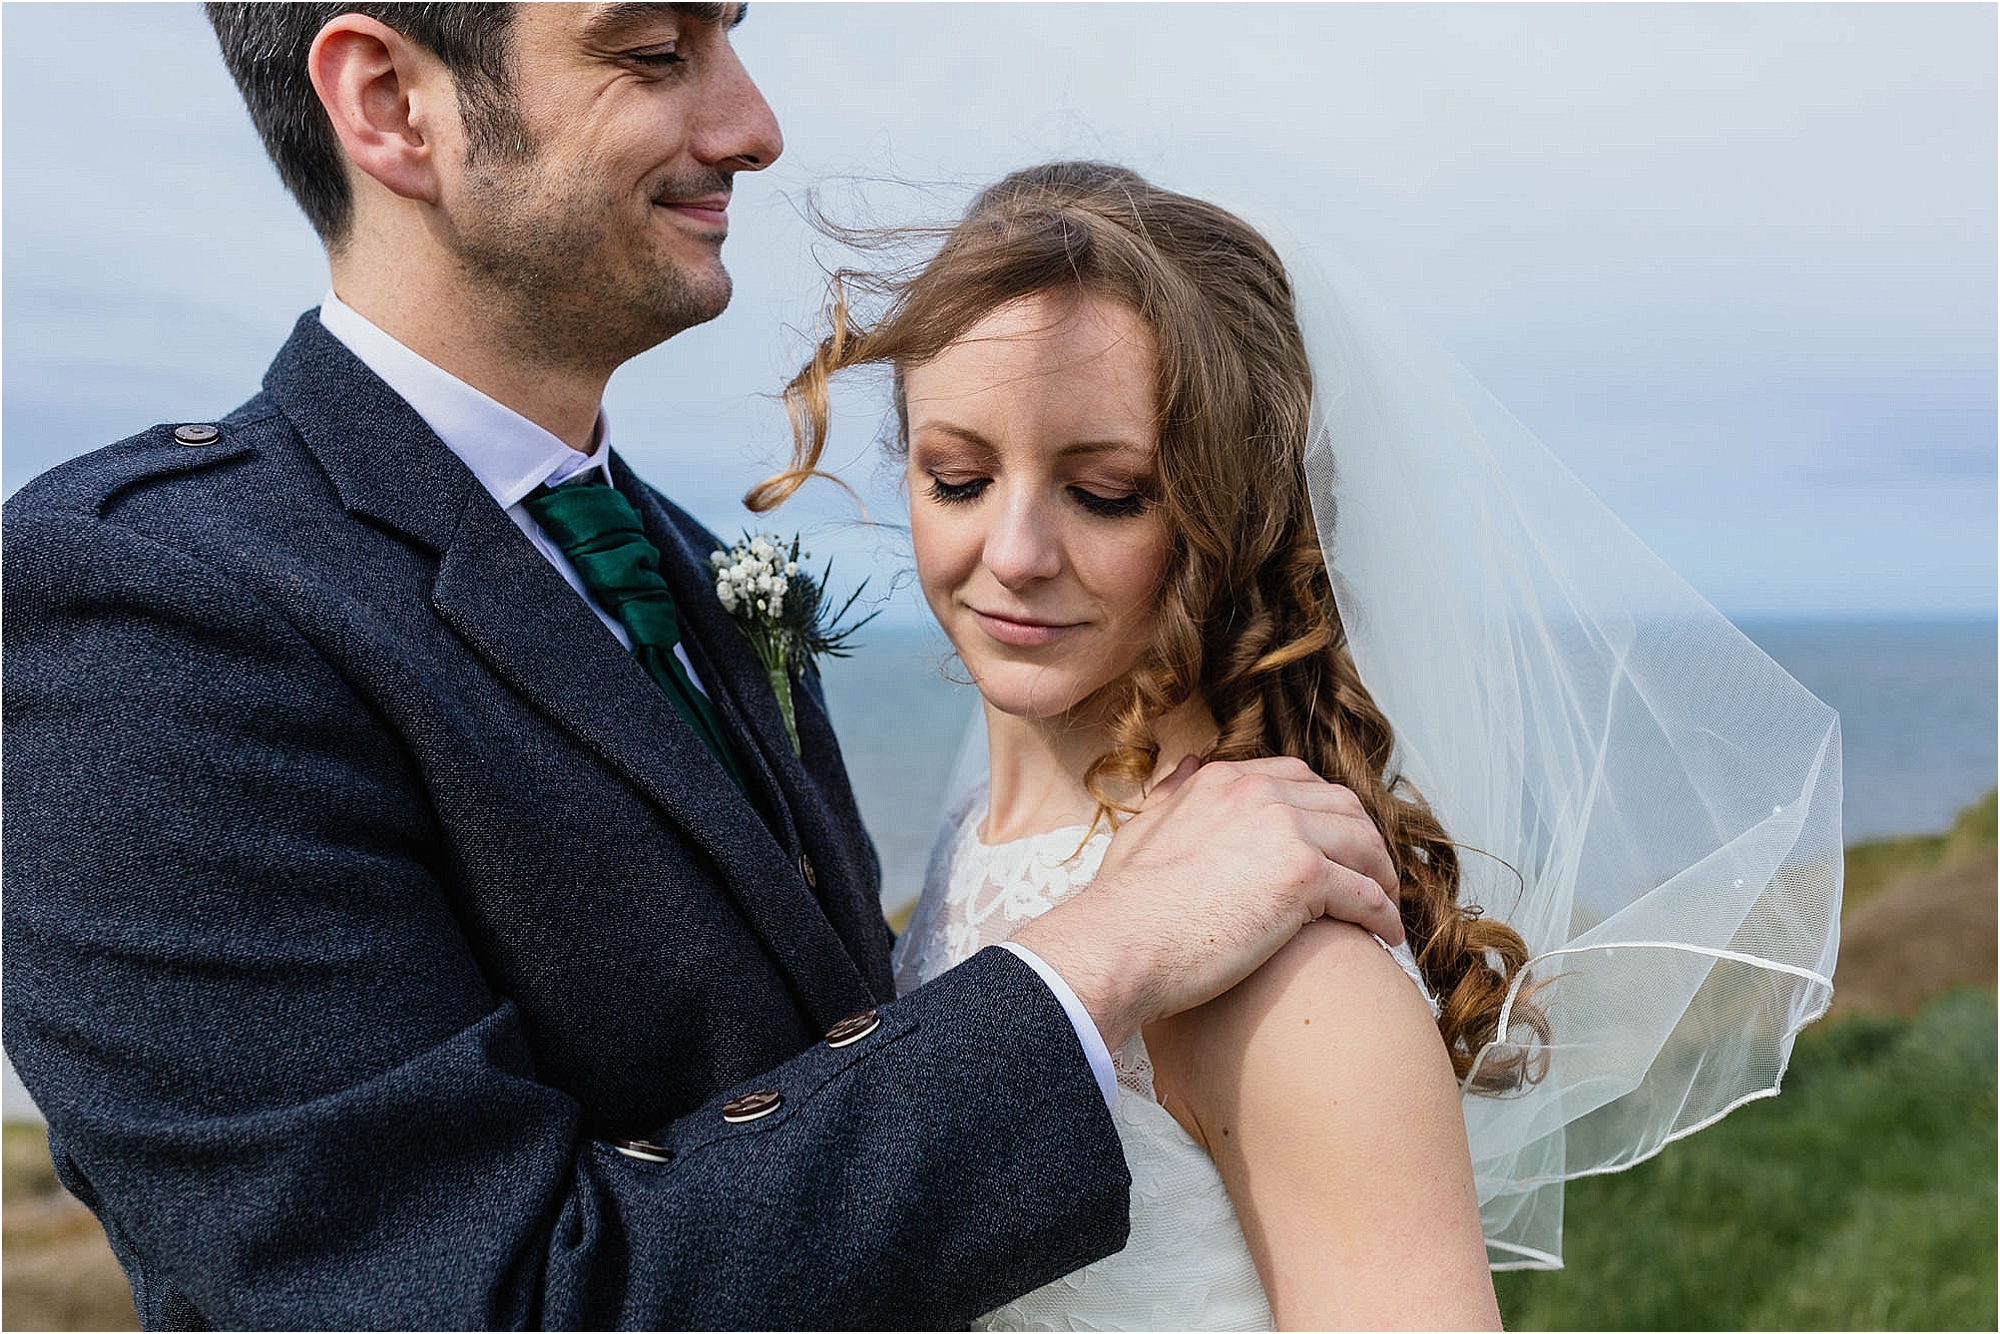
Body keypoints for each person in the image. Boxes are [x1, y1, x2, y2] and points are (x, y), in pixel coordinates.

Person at [0, 10, 1409, 1329]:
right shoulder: (152, 608)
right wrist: (1106, 951)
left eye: (729, 39)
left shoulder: (686, 562)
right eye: (656, 50)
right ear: (392, 105)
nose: (753, 125)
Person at [758, 160, 1844, 1328]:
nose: (1013, 549)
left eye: (1107, 492)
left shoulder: (1290, 980)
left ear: (1232, 515)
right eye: (956, 476)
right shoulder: (984, 827)